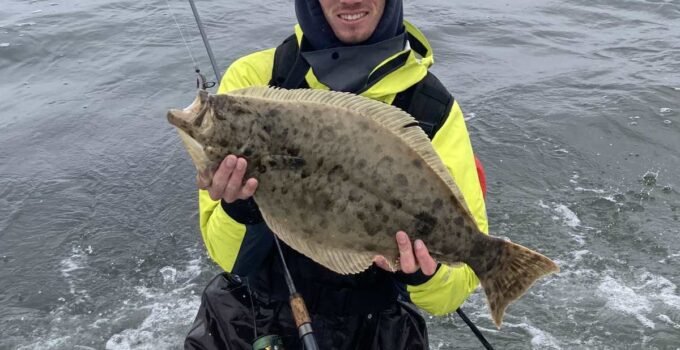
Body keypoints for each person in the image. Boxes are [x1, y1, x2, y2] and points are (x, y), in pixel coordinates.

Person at [184, 0, 488, 349]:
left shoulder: (432, 108)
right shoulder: (254, 79)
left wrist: (424, 274)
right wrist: (242, 210)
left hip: (376, 328)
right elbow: (227, 257)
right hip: (255, 319)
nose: (350, 0)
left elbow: (455, 289)